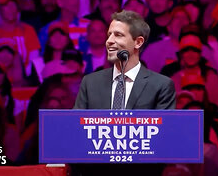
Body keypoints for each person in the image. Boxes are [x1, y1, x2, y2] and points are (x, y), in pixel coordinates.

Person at [74, 10, 176, 175]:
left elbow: (163, 141)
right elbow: (74, 132)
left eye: (118, 35)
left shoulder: (161, 86)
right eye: (109, 35)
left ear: (138, 42)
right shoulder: (90, 82)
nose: (109, 41)